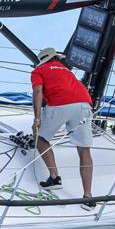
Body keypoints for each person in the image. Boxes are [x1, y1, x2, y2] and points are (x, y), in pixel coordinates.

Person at [30, 48, 95, 210]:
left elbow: (38, 91)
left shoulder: (39, 70)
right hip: (84, 104)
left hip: (60, 104)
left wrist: (37, 118)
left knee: (40, 138)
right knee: (84, 150)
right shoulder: (66, 70)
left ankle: (54, 177)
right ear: (56, 59)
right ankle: (88, 197)